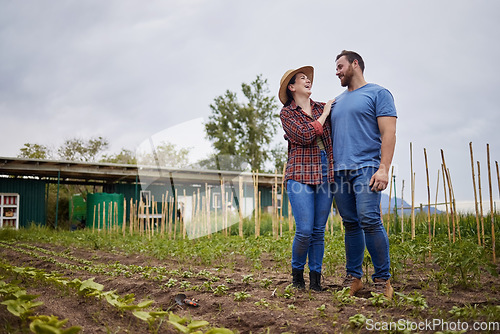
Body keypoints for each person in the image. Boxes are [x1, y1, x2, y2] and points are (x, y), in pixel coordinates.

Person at [330, 50, 397, 299]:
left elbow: (389, 133)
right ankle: (354, 278)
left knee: (369, 220)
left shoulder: (378, 93)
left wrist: (384, 169)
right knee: (350, 225)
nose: (336, 71)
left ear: (355, 64)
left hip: (367, 168)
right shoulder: (336, 101)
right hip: (340, 172)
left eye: (340, 66)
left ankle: (382, 280)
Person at [279, 66, 335, 291]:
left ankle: (316, 281)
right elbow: (304, 135)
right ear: (292, 87)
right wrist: (323, 117)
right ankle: (297, 277)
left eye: (309, 78)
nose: (307, 80)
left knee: (319, 231)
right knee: (304, 230)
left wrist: (326, 111)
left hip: (325, 171)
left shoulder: (324, 107)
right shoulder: (288, 113)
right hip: (299, 172)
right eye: (302, 78)